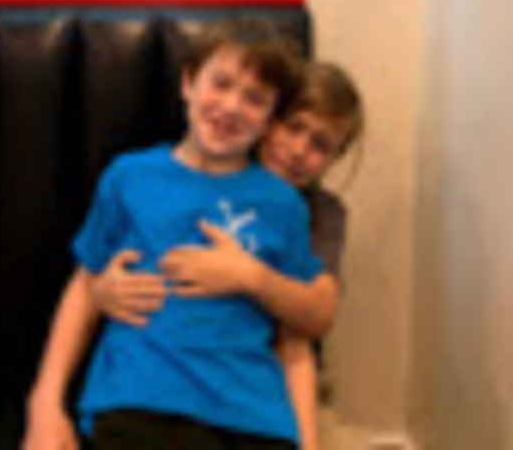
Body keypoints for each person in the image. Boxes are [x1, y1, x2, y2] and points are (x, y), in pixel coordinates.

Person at [23, 20, 341, 450]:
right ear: (188, 83)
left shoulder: (283, 206)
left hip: (252, 415)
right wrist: (45, 404)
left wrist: (309, 443)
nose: (231, 107)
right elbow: (83, 286)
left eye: (254, 99)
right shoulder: (129, 177)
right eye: (221, 84)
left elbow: (298, 338)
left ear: (269, 118)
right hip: (140, 401)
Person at [88, 62, 364, 449]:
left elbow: (313, 319)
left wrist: (250, 276)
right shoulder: (186, 171)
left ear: (335, 158)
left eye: (320, 145)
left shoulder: (318, 212)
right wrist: (100, 290)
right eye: (293, 127)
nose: (299, 151)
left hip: (268, 383)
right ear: (268, 117)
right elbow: (106, 266)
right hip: (166, 385)